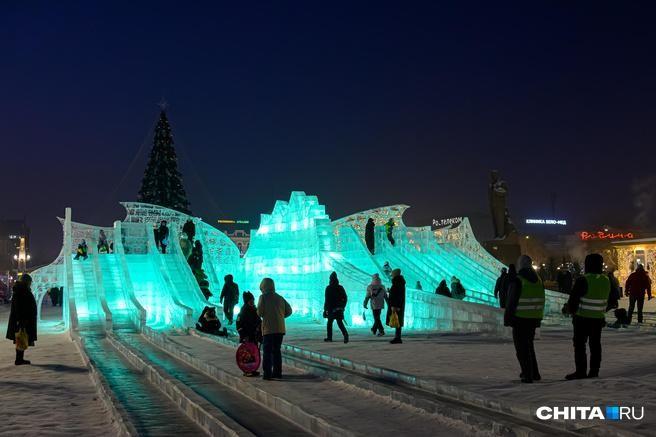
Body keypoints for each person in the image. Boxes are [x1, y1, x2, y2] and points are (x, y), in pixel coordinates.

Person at [564, 253, 615, 380]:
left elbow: (573, 300)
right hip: (598, 319)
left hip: (582, 318)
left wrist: (570, 311)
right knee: (595, 345)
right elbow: (613, 300)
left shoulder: (583, 280)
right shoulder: (606, 280)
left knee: (580, 346)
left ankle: (581, 371)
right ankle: (594, 371)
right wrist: (602, 310)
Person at [505, 255, 544, 383]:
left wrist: (508, 319)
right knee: (529, 346)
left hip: (520, 318)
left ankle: (527, 374)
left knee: (521, 348)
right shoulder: (538, 280)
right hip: (534, 318)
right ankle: (534, 373)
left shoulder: (518, 280)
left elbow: (511, 301)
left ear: (520, 265)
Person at [257, 278, 292, 380]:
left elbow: (260, 313)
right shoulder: (280, 298)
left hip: (268, 329)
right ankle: (277, 372)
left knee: (267, 352)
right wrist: (280, 316)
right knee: (276, 351)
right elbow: (289, 311)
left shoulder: (263, 297)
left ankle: (267, 374)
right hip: (280, 329)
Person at [6, 274, 37, 365]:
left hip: (24, 319)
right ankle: (19, 359)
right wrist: (21, 320)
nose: (31, 283)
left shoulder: (22, 290)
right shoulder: (21, 291)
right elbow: (19, 307)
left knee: (22, 337)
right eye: (30, 281)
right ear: (26, 281)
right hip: (23, 319)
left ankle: (20, 358)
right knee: (21, 337)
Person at [236, 291, 262, 377]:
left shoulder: (254, 310)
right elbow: (239, 325)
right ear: (247, 301)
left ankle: (253, 369)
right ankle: (247, 370)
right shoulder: (243, 311)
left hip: (254, 336)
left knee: (254, 354)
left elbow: (259, 321)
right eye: (251, 300)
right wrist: (244, 336)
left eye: (253, 300)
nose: (252, 302)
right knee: (247, 355)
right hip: (247, 337)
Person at [324, 272, 349, 343]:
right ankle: (345, 335)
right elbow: (345, 298)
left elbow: (327, 299)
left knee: (329, 323)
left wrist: (325, 309)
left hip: (331, 309)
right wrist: (342, 306)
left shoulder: (328, 288)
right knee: (340, 323)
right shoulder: (340, 287)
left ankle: (329, 338)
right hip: (339, 309)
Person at [386, 269, 406, 344]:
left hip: (396, 306)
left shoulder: (397, 282)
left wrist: (395, 305)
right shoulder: (399, 282)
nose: (392, 275)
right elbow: (396, 293)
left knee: (397, 320)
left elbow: (398, 295)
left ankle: (398, 338)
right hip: (397, 305)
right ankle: (397, 337)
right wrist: (390, 291)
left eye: (393, 274)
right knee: (397, 320)